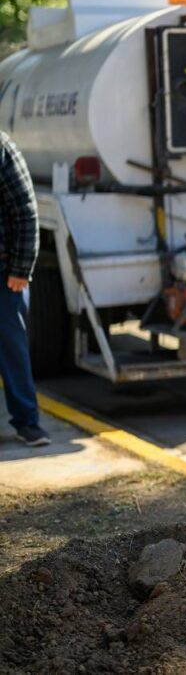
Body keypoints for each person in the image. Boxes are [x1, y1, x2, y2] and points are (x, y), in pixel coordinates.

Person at [0, 130, 49, 447]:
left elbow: (26, 210)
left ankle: (27, 422)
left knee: (12, 348)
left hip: (4, 274)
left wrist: (21, 268)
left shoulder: (1, 148)